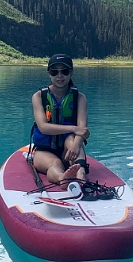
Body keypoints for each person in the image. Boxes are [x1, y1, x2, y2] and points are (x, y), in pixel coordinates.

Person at [31, 54, 90, 188]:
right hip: (44, 151)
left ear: (71, 73)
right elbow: (43, 127)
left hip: (68, 150)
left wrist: (76, 145)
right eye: (54, 72)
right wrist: (73, 129)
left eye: (64, 71)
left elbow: (83, 130)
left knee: (71, 139)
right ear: (49, 74)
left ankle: (81, 174)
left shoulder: (80, 98)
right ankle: (63, 179)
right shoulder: (39, 96)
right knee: (55, 164)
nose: (59, 76)